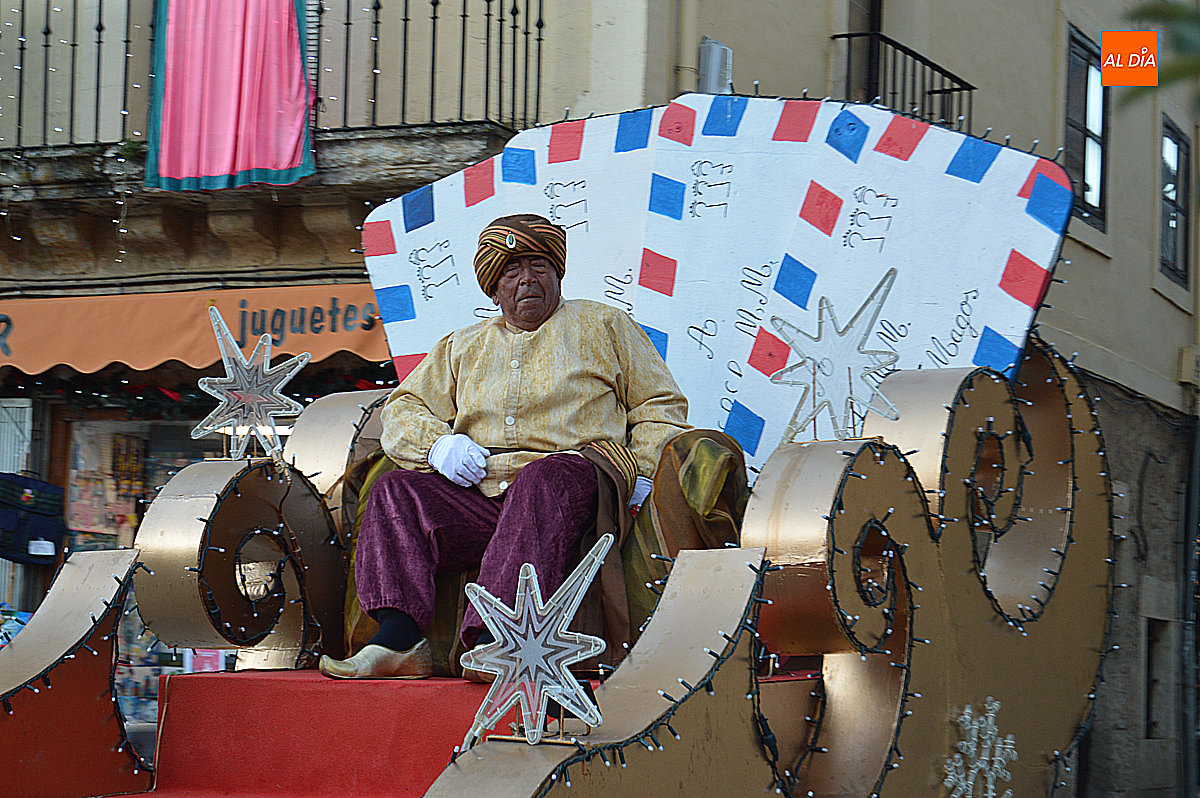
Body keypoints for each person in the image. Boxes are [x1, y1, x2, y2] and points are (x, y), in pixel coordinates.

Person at [319, 213, 690, 679]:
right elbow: (401, 409)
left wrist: (642, 472)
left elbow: (659, 403)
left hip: (576, 483)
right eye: (511, 271)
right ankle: (399, 641)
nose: (527, 279)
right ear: (494, 289)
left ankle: (497, 641)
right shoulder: (462, 345)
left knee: (544, 477)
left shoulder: (606, 325)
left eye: (539, 265)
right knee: (396, 489)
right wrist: (439, 448)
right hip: (485, 494)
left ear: (559, 274)